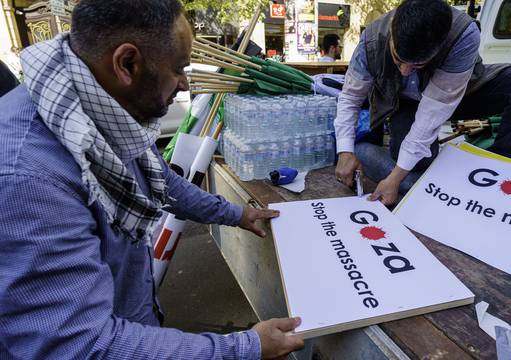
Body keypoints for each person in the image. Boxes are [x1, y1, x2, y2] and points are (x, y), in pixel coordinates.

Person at [0, 0, 304, 359]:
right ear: (127, 64)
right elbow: (82, 346)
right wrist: (244, 348)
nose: (185, 83)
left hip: (136, 322)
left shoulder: (97, 106)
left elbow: (158, 180)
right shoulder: (28, 178)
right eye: (178, 69)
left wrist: (236, 214)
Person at [334, 0, 511, 205]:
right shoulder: (371, 41)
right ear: (393, 29)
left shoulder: (463, 34)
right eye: (398, 59)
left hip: (463, 91)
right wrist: (345, 151)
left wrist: (395, 178)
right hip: (407, 103)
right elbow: (351, 98)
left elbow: (431, 114)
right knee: (417, 162)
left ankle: (499, 173)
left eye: (417, 65)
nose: (404, 71)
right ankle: (373, 157)